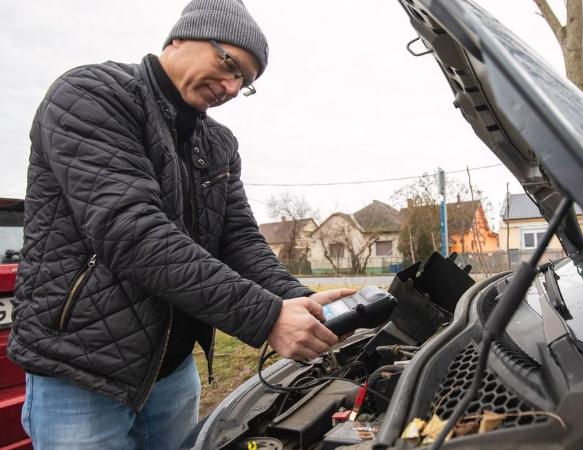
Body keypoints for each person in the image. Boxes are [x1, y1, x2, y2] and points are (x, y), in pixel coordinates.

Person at [8, 1, 348, 448]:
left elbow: (240, 241)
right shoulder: (91, 94)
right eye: (229, 63)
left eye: (244, 81)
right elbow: (131, 231)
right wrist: (265, 317)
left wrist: (298, 302)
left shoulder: (218, 142)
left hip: (171, 374)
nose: (230, 86)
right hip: (81, 375)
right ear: (178, 39)